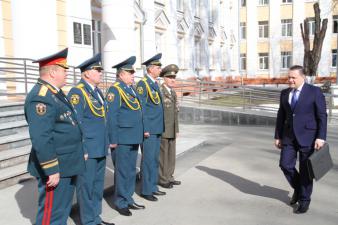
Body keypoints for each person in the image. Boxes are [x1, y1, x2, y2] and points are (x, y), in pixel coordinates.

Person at [24, 48, 85, 225]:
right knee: (51, 216)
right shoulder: (40, 97)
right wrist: (51, 169)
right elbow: (41, 138)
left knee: (60, 212)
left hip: (67, 163)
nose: (67, 74)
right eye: (63, 70)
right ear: (52, 72)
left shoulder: (55, 93)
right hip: (56, 165)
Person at [274, 65, 327, 214]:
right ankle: (298, 188)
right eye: (288, 77)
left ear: (302, 77)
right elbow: (281, 115)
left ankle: (304, 200)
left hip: (309, 137)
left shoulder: (314, 91)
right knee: (285, 165)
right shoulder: (285, 93)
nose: (290, 80)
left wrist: (321, 137)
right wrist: (278, 135)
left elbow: (322, 116)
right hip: (289, 136)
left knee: (306, 171)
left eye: (293, 77)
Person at [68, 54, 113, 225]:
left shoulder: (96, 92)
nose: (101, 73)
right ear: (86, 73)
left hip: (100, 146)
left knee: (96, 186)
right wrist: (83, 148)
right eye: (97, 70)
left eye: (101, 70)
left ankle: (96, 217)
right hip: (89, 149)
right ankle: (88, 220)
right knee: (86, 187)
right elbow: (76, 123)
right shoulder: (77, 93)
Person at [106, 56, 145, 216]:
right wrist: (113, 139)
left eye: (132, 73)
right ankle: (120, 202)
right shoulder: (115, 90)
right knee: (122, 171)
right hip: (122, 139)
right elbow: (112, 117)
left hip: (133, 137)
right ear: (121, 74)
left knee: (130, 171)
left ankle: (128, 198)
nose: (132, 76)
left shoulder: (130, 89)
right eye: (130, 73)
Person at [136, 53, 165, 201]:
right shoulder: (143, 84)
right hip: (149, 130)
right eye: (158, 67)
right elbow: (142, 108)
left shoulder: (154, 83)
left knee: (154, 160)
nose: (160, 69)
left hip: (157, 128)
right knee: (147, 160)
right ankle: (146, 190)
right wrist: (145, 128)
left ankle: (153, 186)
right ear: (150, 69)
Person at [158, 64, 181, 189]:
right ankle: (163, 178)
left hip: (171, 129)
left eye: (174, 77)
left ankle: (170, 176)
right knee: (163, 156)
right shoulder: (160, 92)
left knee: (171, 155)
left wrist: (176, 129)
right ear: (164, 78)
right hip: (163, 129)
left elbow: (175, 113)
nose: (173, 79)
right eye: (170, 77)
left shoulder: (173, 93)